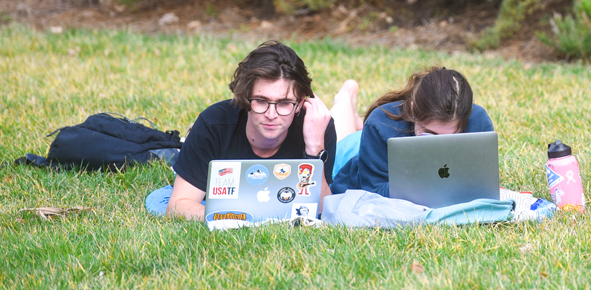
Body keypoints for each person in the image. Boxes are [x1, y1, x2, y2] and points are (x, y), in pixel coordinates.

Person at [163, 41, 337, 220]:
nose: (271, 115)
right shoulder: (213, 124)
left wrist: (315, 150)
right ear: (245, 98)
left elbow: (324, 212)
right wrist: (240, 219)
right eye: (261, 101)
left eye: (284, 103)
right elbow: (178, 206)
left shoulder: (318, 126)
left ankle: (345, 98)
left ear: (300, 103)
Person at [327, 67, 494, 196]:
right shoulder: (379, 125)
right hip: (355, 153)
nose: (439, 147)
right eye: (429, 135)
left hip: (376, 145)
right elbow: (373, 192)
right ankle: (346, 96)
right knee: (341, 135)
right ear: (413, 110)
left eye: (452, 139)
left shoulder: (479, 125)